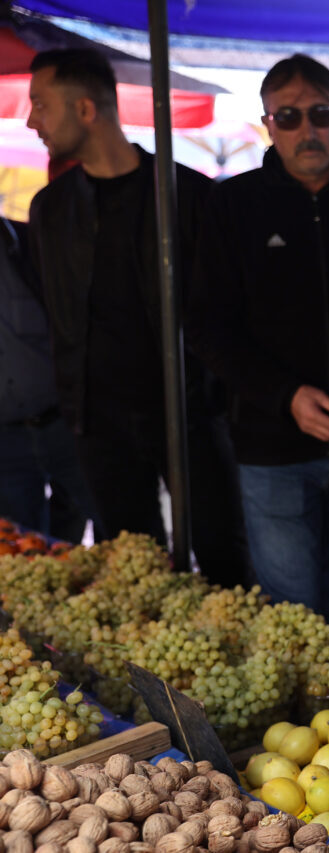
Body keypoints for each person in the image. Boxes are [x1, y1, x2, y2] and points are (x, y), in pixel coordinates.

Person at [187, 54, 329, 646]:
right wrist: (286, 397)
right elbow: (209, 327)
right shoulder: (232, 204)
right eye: (288, 116)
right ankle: (296, 733)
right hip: (273, 448)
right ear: (268, 124)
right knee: (292, 613)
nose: (306, 130)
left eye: (320, 113)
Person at [25, 48, 250, 584]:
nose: (30, 120)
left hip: (188, 415)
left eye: (41, 104)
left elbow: (225, 310)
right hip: (97, 423)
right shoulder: (51, 210)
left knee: (225, 559)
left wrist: (213, 397)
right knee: (131, 571)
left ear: (85, 109)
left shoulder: (189, 197)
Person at [0, 216, 98, 542]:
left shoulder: (27, 245)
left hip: (65, 420)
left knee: (113, 522)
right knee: (21, 546)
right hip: (6, 439)